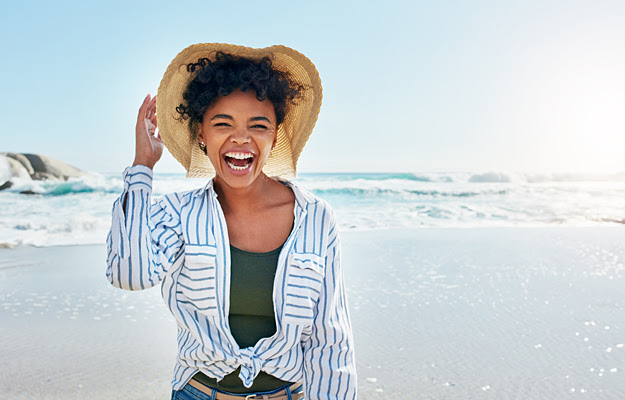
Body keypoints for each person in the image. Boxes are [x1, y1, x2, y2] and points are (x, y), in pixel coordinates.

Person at [106, 43, 357, 400]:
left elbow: (330, 340)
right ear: (202, 135)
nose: (241, 138)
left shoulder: (315, 217)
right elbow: (127, 274)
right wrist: (142, 167)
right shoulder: (178, 213)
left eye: (259, 125)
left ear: (275, 135)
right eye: (222, 123)